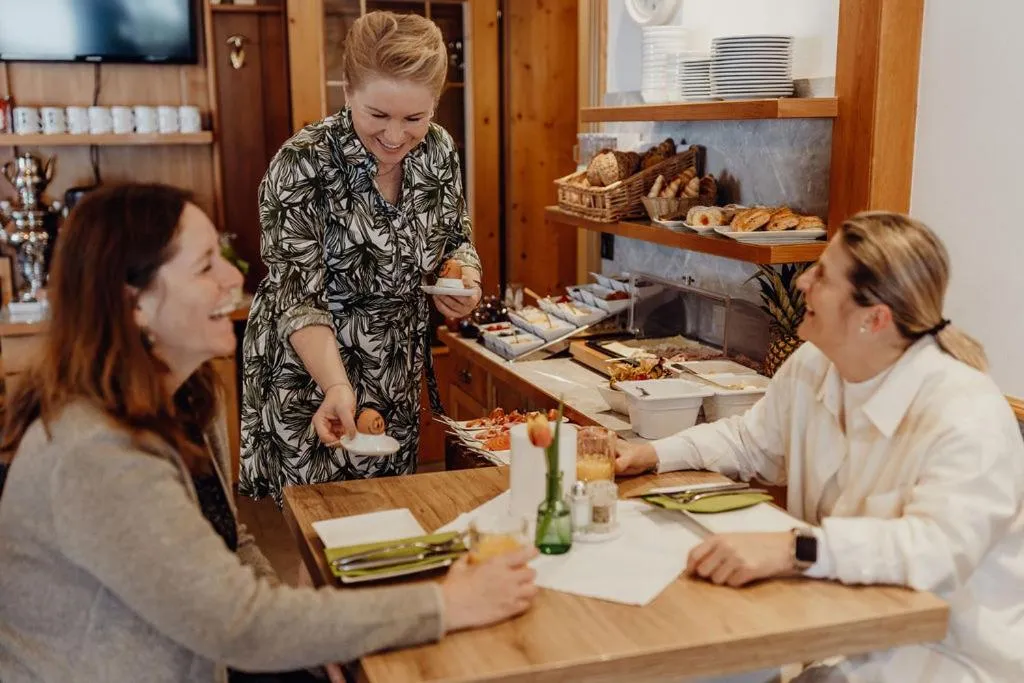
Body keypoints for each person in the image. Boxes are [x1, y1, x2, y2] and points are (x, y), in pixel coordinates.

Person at [0, 184, 537, 683]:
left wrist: (308, 633)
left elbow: (231, 546)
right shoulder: (96, 454)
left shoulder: (187, 398)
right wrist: (448, 604)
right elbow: (240, 624)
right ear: (134, 303)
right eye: (206, 266)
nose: (236, 279)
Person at [616, 212, 1024, 682]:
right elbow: (751, 441)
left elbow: (934, 551)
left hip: (942, 655)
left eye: (824, 275)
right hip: (839, 626)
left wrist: (796, 550)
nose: (804, 281)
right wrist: (651, 454)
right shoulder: (815, 364)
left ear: (875, 318)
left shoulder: (967, 413)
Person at [239, 11, 481, 505]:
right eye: (378, 115)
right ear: (347, 92)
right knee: (321, 522)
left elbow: (456, 236)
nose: (395, 136)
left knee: (388, 510)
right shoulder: (301, 163)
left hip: (393, 365)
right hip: (313, 368)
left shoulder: (439, 152)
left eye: (415, 117)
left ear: (435, 103)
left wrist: (466, 275)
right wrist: (335, 385)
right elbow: (297, 298)